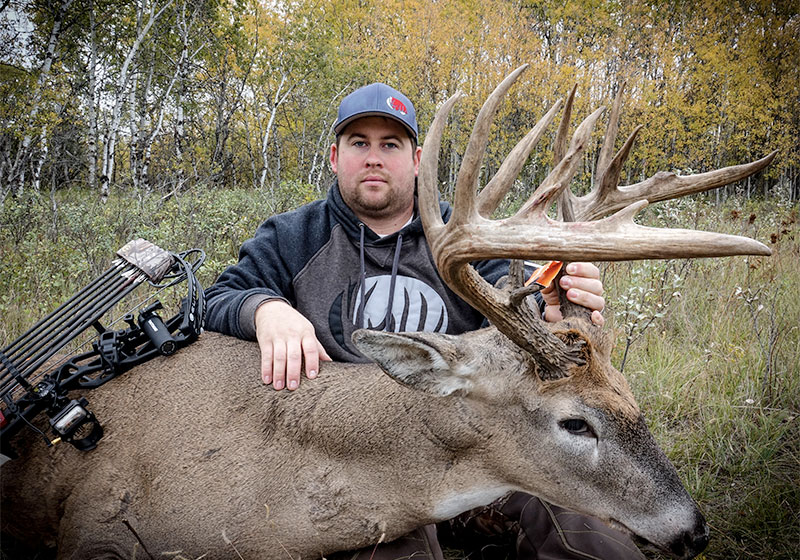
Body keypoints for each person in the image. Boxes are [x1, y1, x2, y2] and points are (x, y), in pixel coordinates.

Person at [204, 82, 644, 560]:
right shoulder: (292, 236)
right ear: (335, 158)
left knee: (592, 538)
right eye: (359, 144)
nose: (374, 158)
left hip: (479, 448)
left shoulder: (467, 241)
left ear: (416, 160)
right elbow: (220, 298)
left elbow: (516, 296)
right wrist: (266, 310)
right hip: (358, 463)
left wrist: (554, 306)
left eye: (390, 144)